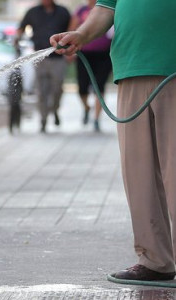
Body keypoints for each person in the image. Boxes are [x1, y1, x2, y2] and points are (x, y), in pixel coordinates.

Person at [52, 0, 176, 282]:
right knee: (138, 173)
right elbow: (106, 8)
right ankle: (155, 260)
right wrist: (81, 35)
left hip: (173, 69)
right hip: (131, 68)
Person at [16, 0, 71, 133]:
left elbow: (72, 28)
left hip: (58, 58)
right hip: (40, 58)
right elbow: (21, 28)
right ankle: (43, 119)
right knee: (41, 90)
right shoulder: (33, 12)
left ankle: (54, 110)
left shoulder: (63, 12)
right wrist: (17, 39)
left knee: (57, 88)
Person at [71, 0, 112, 132]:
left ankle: (96, 119)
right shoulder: (81, 10)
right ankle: (87, 107)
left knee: (99, 87)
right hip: (84, 54)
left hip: (103, 55)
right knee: (82, 87)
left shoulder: (110, 7)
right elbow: (72, 28)